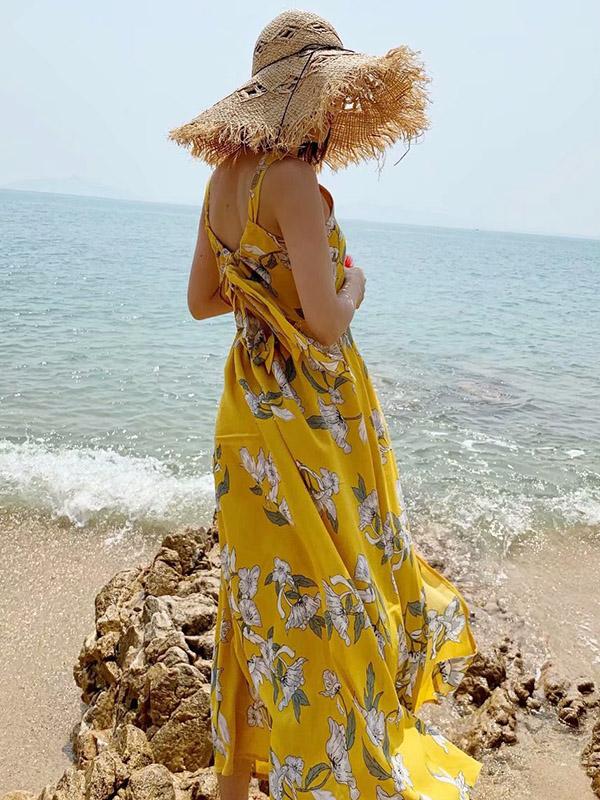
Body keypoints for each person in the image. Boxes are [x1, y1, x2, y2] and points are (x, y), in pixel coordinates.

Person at [170, 9, 483, 800]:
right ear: (311, 99)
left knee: (257, 600)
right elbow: (324, 321)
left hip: (245, 415)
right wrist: (356, 285)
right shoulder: (293, 183)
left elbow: (202, 301)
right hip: (312, 417)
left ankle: (238, 782)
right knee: (332, 591)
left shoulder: (224, 180)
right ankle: (330, 774)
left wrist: (258, 290)